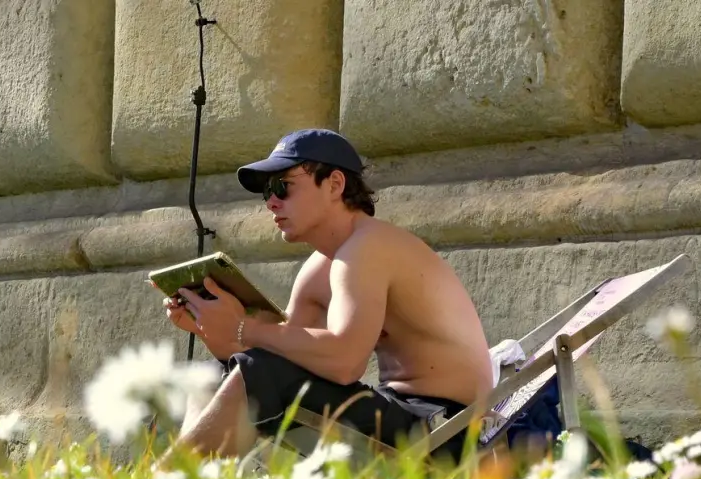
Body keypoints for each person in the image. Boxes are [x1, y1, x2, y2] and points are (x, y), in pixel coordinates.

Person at [166, 128, 494, 460]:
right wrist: (212, 326)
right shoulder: (320, 267)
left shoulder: (368, 247)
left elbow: (344, 363)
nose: (271, 202)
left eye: (283, 186)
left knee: (261, 371)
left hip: (448, 427)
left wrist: (244, 328)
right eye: (267, 191)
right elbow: (275, 360)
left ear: (335, 184)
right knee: (212, 375)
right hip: (400, 413)